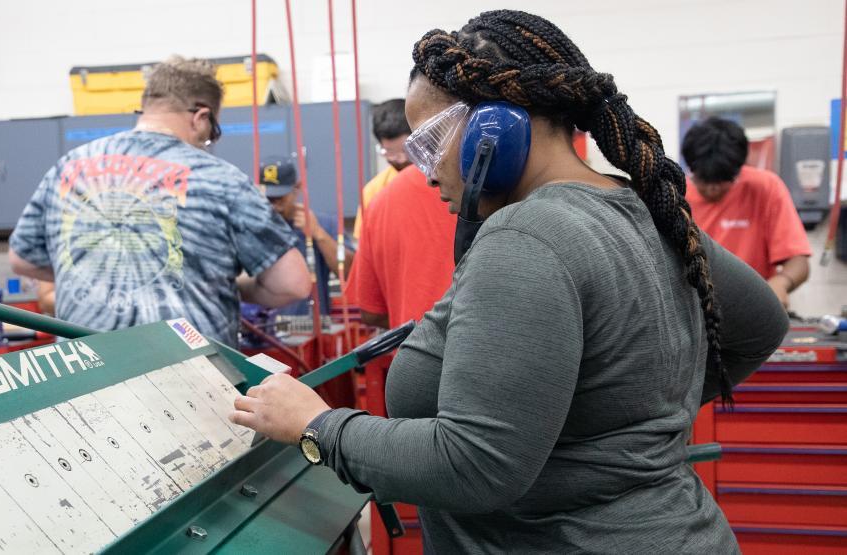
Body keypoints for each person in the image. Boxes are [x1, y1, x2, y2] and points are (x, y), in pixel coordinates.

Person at [229, 10, 788, 553]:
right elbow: (763, 324)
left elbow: (471, 465)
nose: (425, 172)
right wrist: (613, 423)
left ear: (494, 129)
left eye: (431, 143)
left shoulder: (527, 236)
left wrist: (317, 425)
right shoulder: (643, 210)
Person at [9, 56, 311, 346]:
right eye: (211, 133)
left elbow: (22, 258)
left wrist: (94, 272)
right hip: (188, 378)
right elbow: (293, 283)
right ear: (201, 118)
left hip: (85, 375)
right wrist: (233, 285)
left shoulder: (69, 166)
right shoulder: (221, 178)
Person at [683, 117, 811, 307]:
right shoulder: (675, 194)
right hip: (694, 310)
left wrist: (781, 282)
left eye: (722, 181)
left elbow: (799, 262)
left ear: (737, 170)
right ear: (692, 170)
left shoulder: (766, 187)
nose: (713, 189)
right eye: (704, 180)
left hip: (751, 309)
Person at [349, 164, 455, 329]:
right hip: (481, 349)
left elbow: (371, 312)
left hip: (411, 349)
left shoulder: (381, 200)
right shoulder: (497, 189)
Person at [258, 155, 354, 317]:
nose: (274, 206)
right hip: (263, 330)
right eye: (269, 199)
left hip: (312, 331)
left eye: (280, 198)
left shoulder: (323, 223)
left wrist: (318, 234)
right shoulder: (253, 225)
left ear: (297, 188)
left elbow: (350, 272)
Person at [352, 99, 412, 239]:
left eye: (406, 150)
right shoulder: (373, 191)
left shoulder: (439, 179)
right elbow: (364, 242)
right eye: (390, 152)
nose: (401, 159)